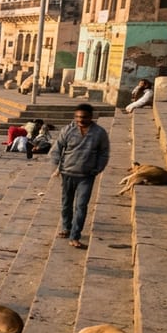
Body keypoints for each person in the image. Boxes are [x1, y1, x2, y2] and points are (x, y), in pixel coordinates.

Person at [51, 103, 110, 250]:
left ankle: (75, 236)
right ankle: (66, 227)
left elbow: (104, 153)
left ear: (91, 117)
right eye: (77, 117)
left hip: (86, 175)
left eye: (83, 117)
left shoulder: (99, 133)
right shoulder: (68, 130)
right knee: (66, 203)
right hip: (68, 172)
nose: (80, 120)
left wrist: (98, 168)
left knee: (81, 206)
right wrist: (57, 166)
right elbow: (57, 149)